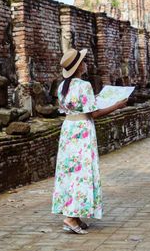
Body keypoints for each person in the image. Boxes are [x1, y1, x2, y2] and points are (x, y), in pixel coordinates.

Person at [52, 48, 127, 234]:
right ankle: (70, 217)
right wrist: (116, 105)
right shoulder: (83, 85)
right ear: (78, 67)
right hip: (82, 130)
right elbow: (93, 113)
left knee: (69, 171)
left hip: (68, 129)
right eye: (83, 61)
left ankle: (74, 215)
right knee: (83, 171)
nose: (86, 64)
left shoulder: (62, 86)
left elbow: (68, 108)